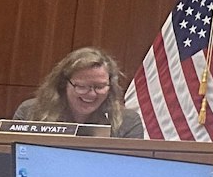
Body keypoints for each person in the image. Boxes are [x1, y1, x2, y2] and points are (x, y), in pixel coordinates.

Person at [16, 48, 146, 137]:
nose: (91, 94)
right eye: (82, 86)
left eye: (99, 87)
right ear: (63, 84)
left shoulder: (128, 122)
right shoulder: (29, 112)